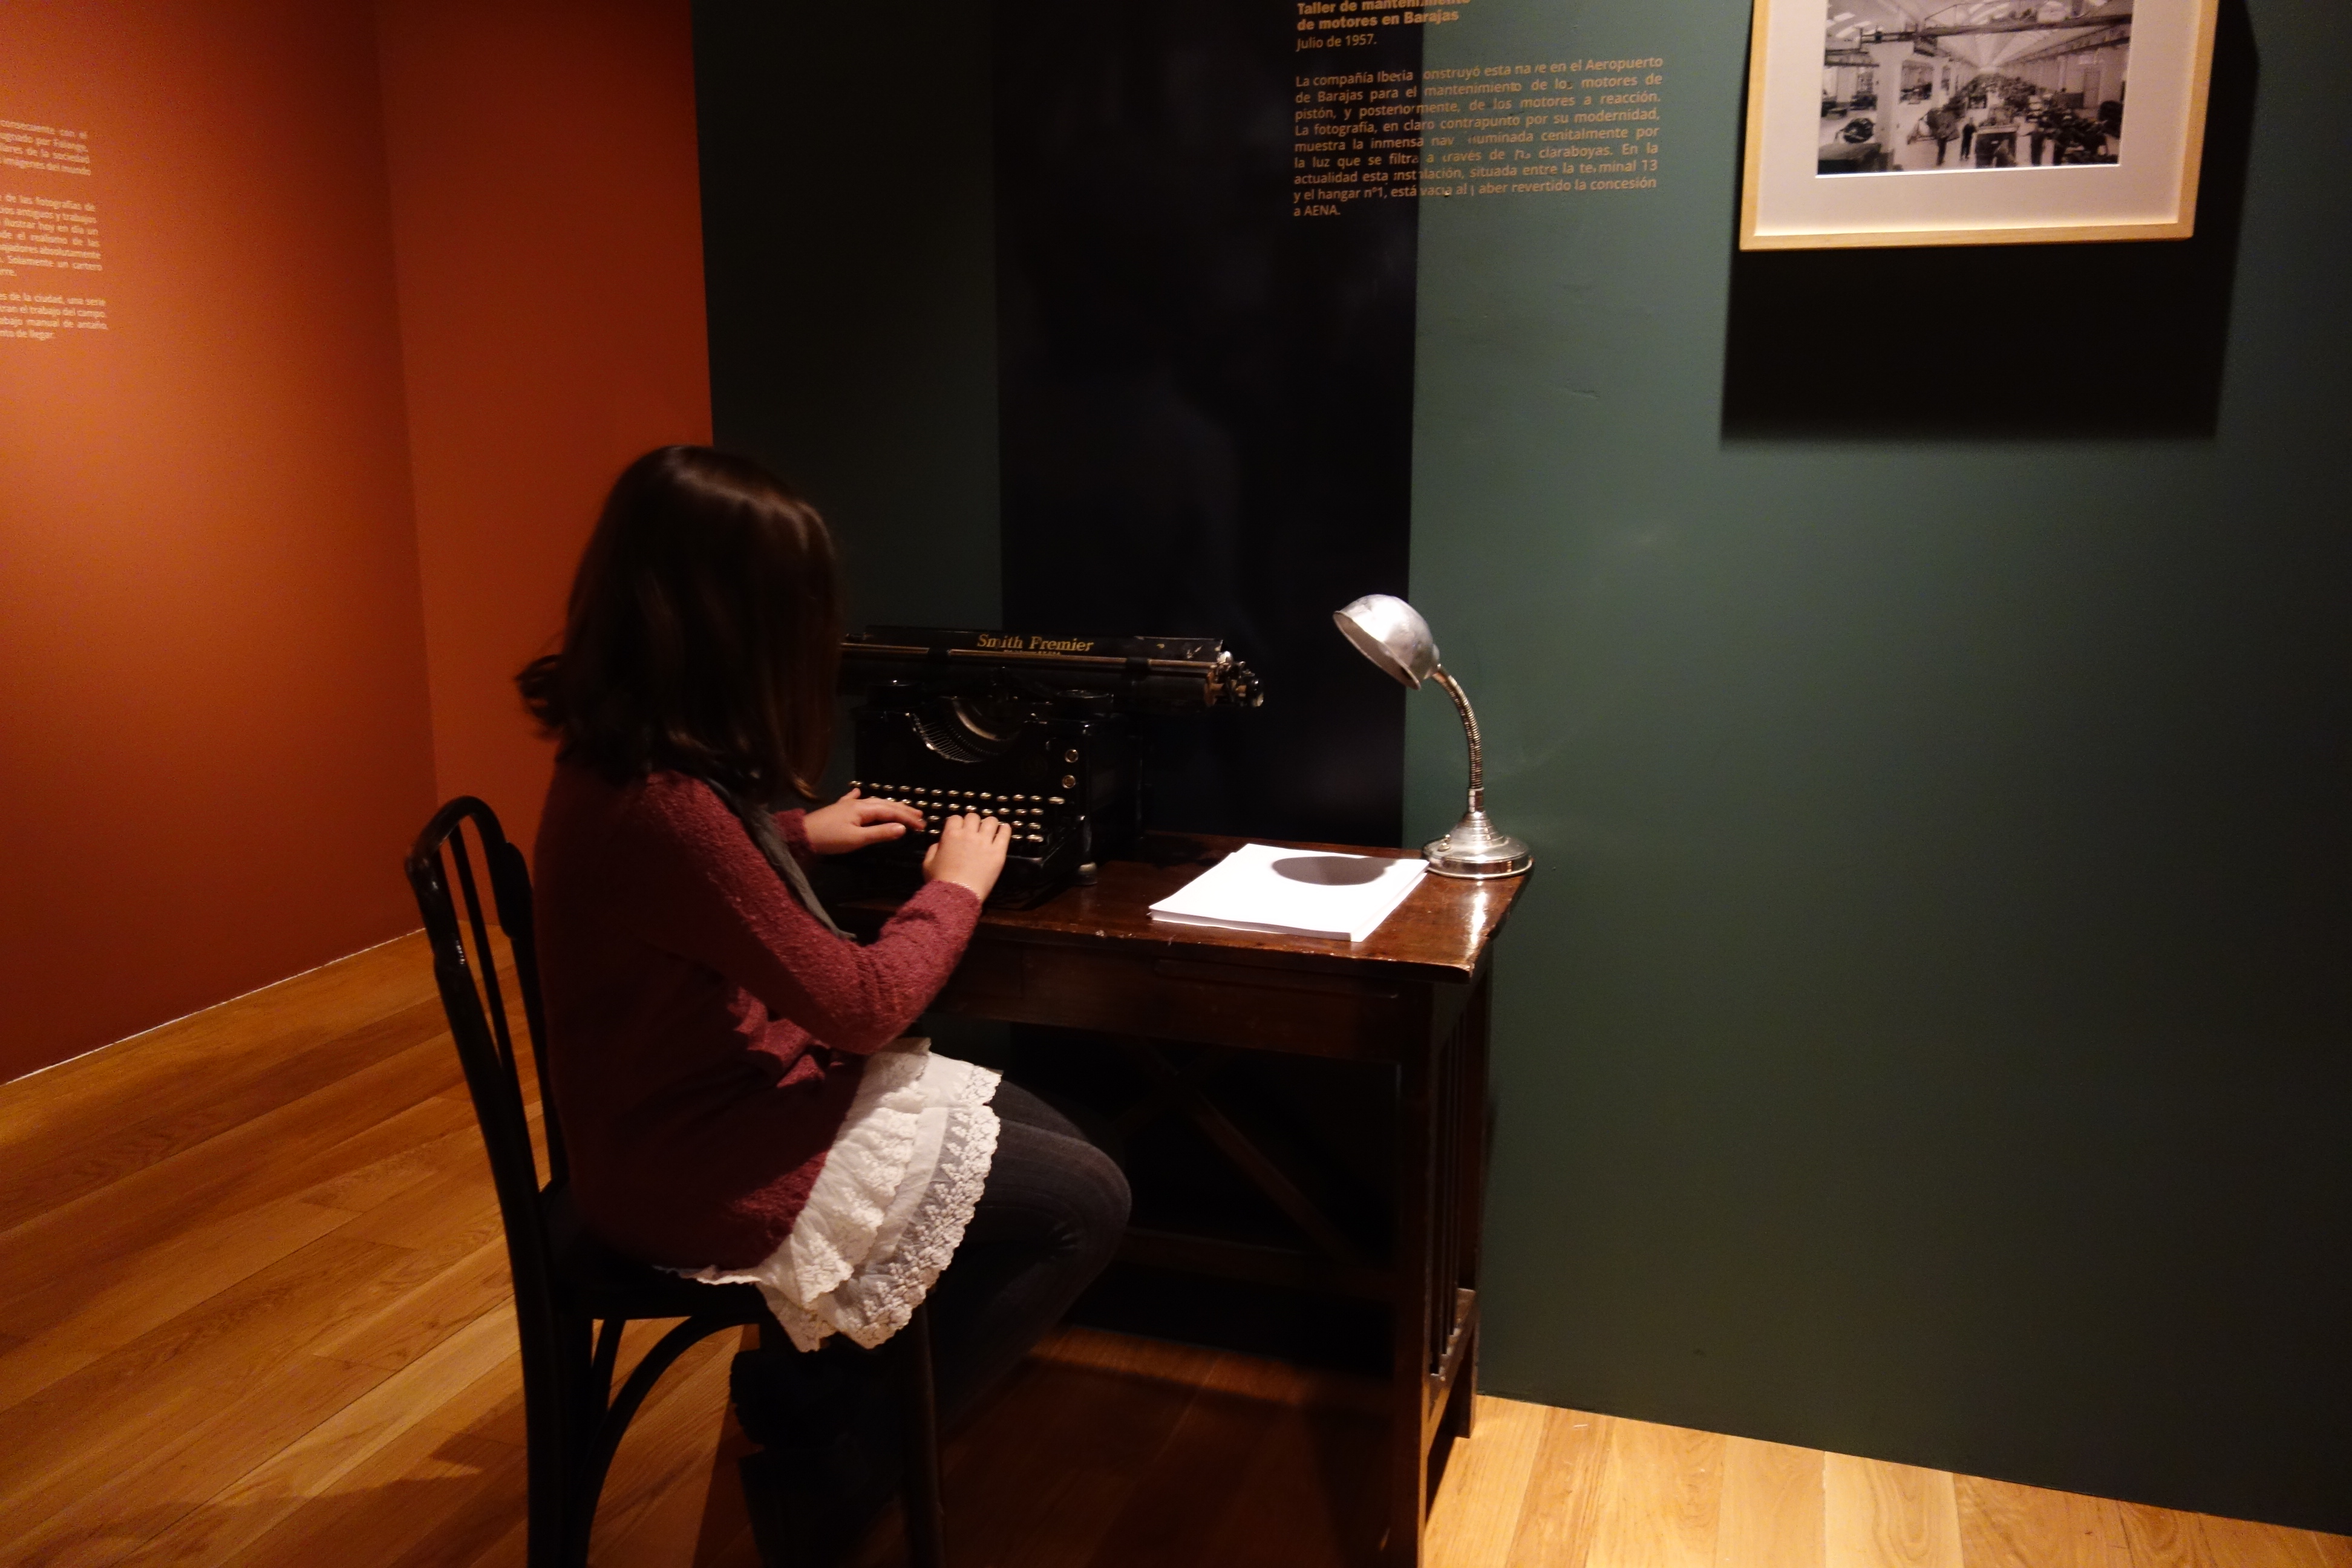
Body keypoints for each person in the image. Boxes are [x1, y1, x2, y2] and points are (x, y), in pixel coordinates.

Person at [521, 445, 1130, 1564]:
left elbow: (686, 886)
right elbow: (861, 1005)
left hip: (688, 1112)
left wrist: (791, 832)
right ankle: (846, 1468)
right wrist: (955, 889)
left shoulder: (624, 764)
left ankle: (809, 1396)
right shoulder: (665, 808)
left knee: (1069, 1145)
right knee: (1083, 1201)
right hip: (688, 1166)